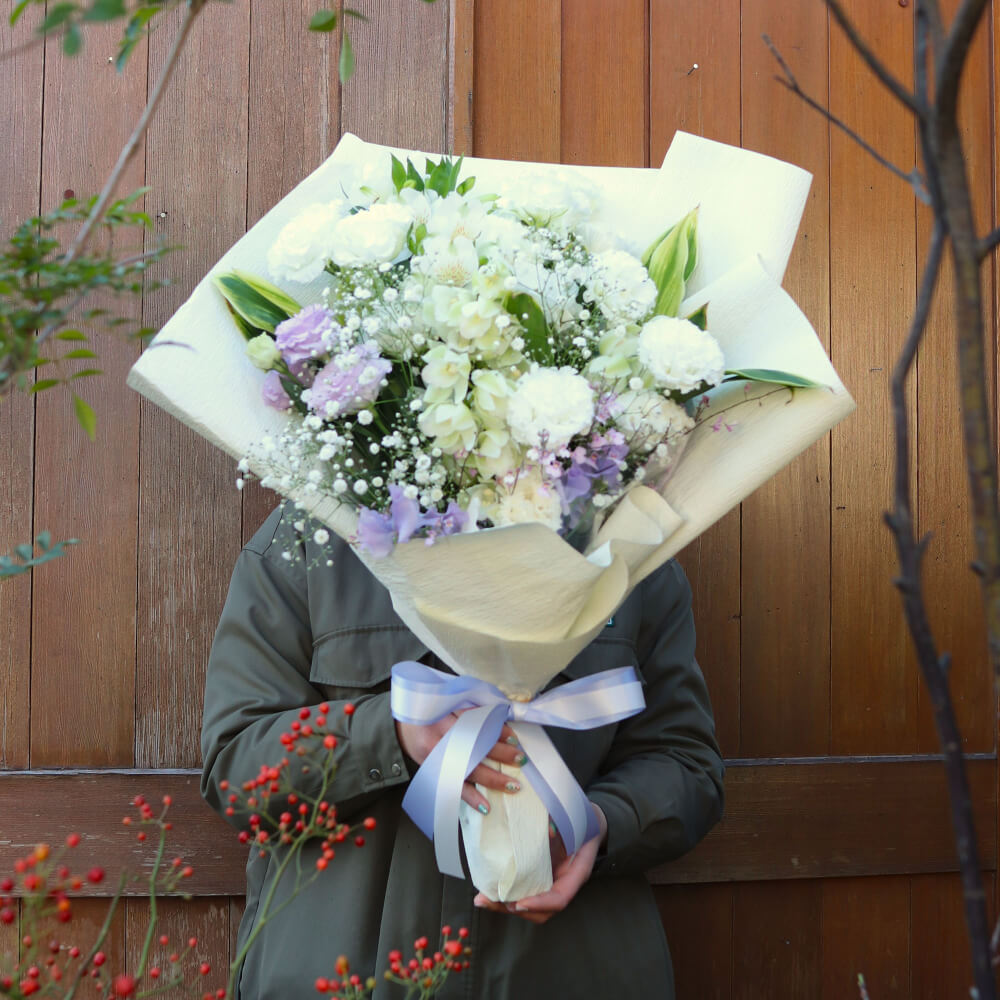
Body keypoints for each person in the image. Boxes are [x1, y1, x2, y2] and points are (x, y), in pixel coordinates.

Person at [201, 506, 724, 999]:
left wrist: (599, 823)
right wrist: (395, 736)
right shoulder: (310, 538)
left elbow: (685, 763)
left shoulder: (627, 541)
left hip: (570, 972)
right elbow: (238, 765)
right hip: (340, 975)